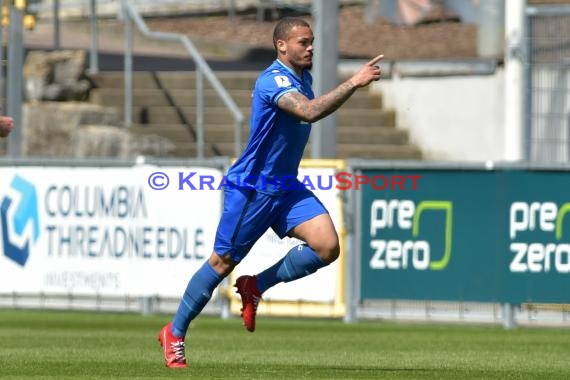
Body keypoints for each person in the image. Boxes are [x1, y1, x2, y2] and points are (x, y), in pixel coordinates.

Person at [158, 16, 383, 368]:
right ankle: (174, 332)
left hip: (285, 186)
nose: (311, 48)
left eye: (311, 41)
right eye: (303, 42)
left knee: (326, 246)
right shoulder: (272, 80)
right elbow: (308, 112)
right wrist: (353, 82)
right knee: (221, 263)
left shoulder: (303, 78)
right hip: (253, 188)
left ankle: (256, 285)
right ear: (282, 45)